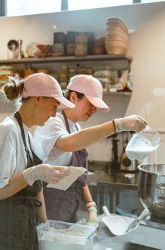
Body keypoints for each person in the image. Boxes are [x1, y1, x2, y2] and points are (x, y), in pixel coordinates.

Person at [33, 74, 147, 225]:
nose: (94, 109)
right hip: (46, 208)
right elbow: (67, 143)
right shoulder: (52, 123)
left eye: (96, 106)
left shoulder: (77, 127)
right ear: (73, 97)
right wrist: (117, 125)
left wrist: (91, 205)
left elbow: (79, 175)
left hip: (67, 209)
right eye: (91, 103)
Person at [0, 72, 75, 250]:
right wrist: (35, 172)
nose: (55, 115)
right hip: (5, 231)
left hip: (23, 226)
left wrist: (46, 228)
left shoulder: (25, 133)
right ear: (38, 98)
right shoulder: (7, 131)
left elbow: (34, 189)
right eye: (54, 106)